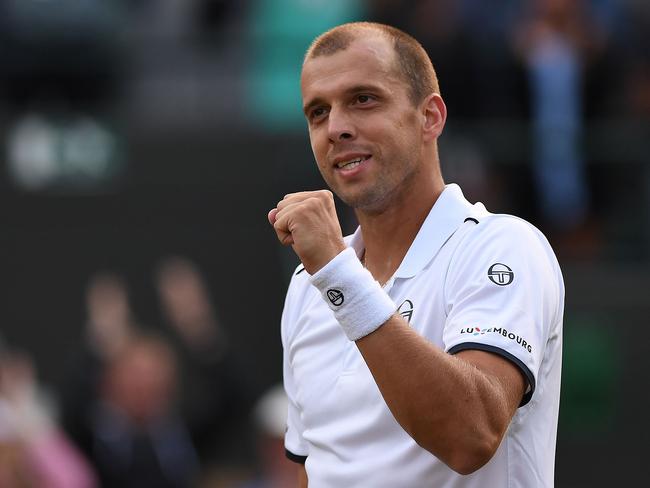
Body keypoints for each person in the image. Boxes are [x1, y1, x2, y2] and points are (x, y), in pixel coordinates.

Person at [267, 22, 564, 487]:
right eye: (318, 112)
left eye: (363, 99)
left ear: (430, 117)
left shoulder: (503, 245)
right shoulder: (308, 286)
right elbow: (314, 468)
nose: (337, 128)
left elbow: (471, 437)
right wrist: (332, 273)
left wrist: (338, 275)